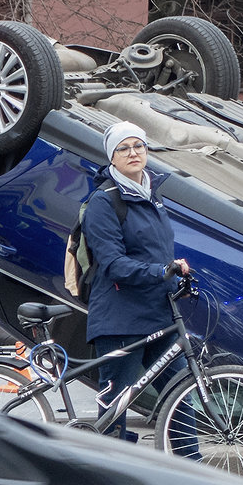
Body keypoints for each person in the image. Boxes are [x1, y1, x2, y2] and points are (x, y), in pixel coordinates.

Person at [82, 120, 198, 454]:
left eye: (139, 146)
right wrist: (162, 271)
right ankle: (112, 473)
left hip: (159, 314)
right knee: (116, 404)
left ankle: (191, 466)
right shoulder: (104, 203)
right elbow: (113, 264)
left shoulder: (152, 195)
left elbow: (159, 253)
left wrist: (177, 275)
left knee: (179, 395)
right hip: (121, 318)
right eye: (124, 148)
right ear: (112, 158)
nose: (133, 153)